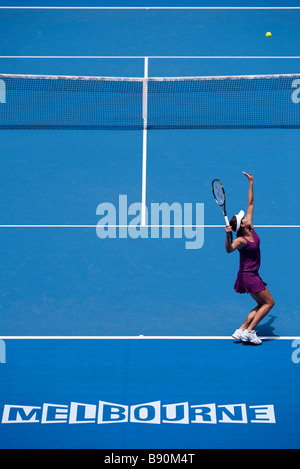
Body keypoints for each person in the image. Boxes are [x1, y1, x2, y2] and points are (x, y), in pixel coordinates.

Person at [224, 172, 275, 345]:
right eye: (243, 218)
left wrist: (251, 183)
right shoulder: (240, 239)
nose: (245, 216)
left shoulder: (250, 226)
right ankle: (250, 331)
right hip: (248, 276)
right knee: (269, 303)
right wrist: (227, 236)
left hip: (252, 274)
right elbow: (229, 250)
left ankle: (242, 329)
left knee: (262, 304)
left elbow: (251, 203)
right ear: (241, 225)